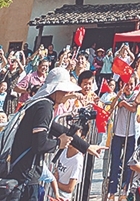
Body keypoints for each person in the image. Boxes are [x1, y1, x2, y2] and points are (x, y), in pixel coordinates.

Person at [6, 67, 100, 198]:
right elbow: (39, 144)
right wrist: (58, 143)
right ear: (55, 89)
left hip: (24, 172)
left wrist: (86, 146)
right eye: (64, 90)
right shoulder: (44, 107)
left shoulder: (39, 103)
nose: (68, 93)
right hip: (26, 175)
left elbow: (59, 129)